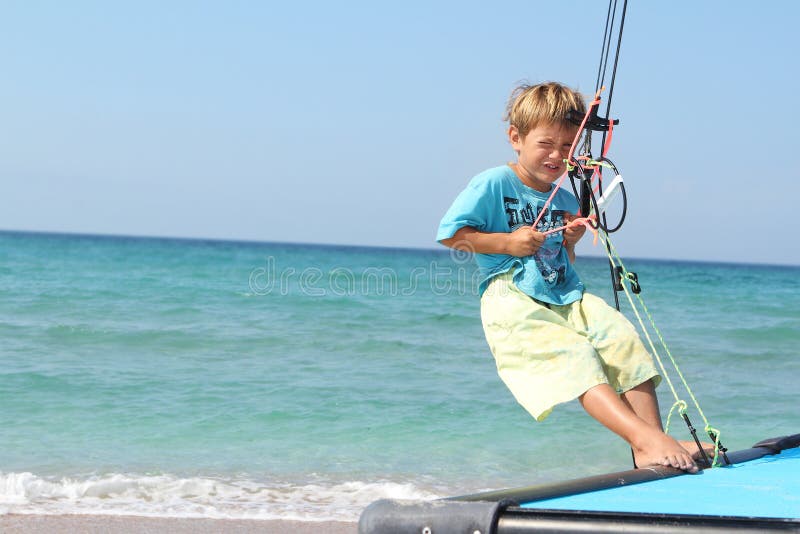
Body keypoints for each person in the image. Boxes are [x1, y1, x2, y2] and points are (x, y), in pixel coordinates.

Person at [437, 81, 700, 472]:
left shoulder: (564, 197)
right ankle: (644, 440)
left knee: (623, 339)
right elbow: (452, 235)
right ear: (516, 137)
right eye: (546, 144)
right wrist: (508, 243)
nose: (557, 155)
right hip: (513, 298)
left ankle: (651, 441)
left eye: (567, 146)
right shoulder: (494, 183)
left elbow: (564, 260)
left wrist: (572, 240)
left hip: (565, 294)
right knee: (577, 358)